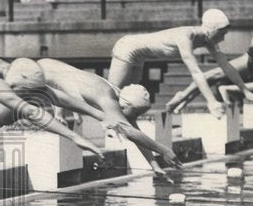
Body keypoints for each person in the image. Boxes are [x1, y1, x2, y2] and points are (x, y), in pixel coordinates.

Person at [35, 58, 183, 181]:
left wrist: (154, 165)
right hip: (40, 73)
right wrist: (164, 150)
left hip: (52, 70)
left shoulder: (119, 95)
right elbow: (128, 130)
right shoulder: (105, 96)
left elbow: (134, 131)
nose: (133, 118)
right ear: (126, 105)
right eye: (134, 114)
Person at [107, 9, 253, 119]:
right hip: (127, 48)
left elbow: (226, 66)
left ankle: (119, 132)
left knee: (129, 101)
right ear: (213, 29)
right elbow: (195, 72)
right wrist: (211, 101)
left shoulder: (208, 41)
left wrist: (245, 91)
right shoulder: (186, 35)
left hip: (139, 56)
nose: (223, 38)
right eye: (222, 33)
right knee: (111, 94)